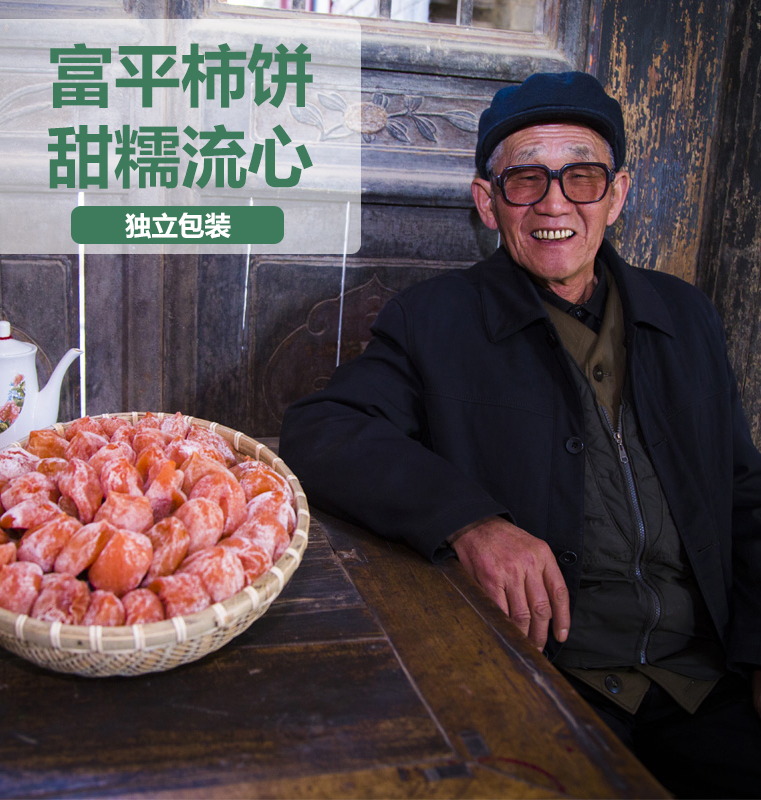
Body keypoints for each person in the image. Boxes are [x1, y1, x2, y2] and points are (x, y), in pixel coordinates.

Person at [279, 71, 761, 797]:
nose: (555, 203)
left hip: (704, 678)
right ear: (488, 202)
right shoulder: (435, 320)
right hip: (551, 678)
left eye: (582, 177)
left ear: (617, 195)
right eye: (526, 180)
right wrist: (470, 521)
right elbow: (323, 430)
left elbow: (744, 496)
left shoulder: (686, 315)